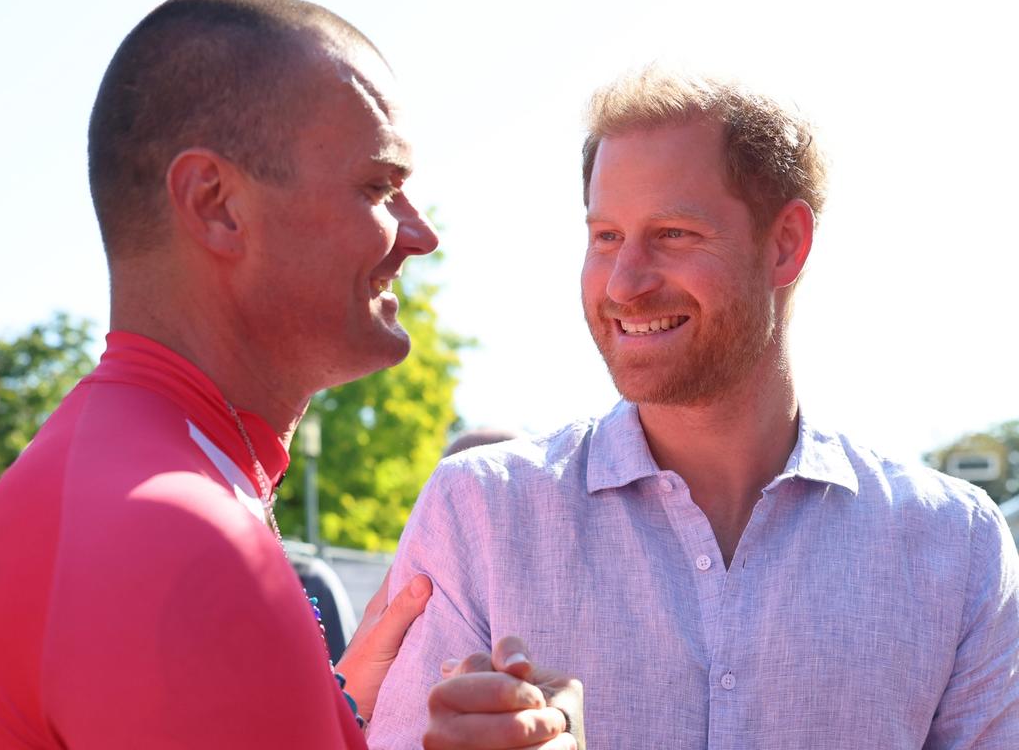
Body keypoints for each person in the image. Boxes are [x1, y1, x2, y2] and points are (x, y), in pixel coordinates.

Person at [0, 0, 579, 749]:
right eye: (379, 186)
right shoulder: (184, 541)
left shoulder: (127, 473)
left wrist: (328, 707)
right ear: (215, 205)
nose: (419, 235)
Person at [367, 66, 1019, 748]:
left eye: (674, 233)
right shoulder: (480, 512)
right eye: (606, 236)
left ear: (786, 244)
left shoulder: (955, 546)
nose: (624, 283)